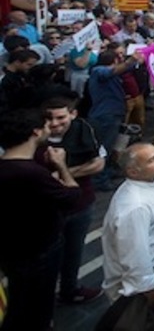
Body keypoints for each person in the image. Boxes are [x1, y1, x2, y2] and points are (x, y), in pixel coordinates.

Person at [0, 109, 81, 331]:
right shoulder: (31, 173)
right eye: (46, 126)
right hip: (39, 251)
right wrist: (61, 166)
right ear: (36, 131)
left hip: (12, 251)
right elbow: (73, 197)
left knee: (19, 302)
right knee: (36, 308)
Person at [100, 143, 154, 329]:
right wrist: (151, 292)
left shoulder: (151, 181)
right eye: (152, 160)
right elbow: (135, 255)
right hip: (144, 291)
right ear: (133, 172)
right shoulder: (134, 207)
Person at [44, 96, 106, 305]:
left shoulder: (86, 130)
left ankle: (69, 290)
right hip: (48, 210)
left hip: (81, 204)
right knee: (47, 257)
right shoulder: (34, 137)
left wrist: (64, 172)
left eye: (61, 117)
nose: (54, 123)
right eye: (49, 118)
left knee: (74, 250)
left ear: (73, 114)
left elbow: (98, 164)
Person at [88, 49, 145, 190]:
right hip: (106, 115)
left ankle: (107, 171)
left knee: (112, 146)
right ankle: (100, 180)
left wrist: (137, 62)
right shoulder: (98, 71)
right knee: (104, 148)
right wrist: (130, 61)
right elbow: (110, 72)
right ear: (114, 61)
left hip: (113, 114)